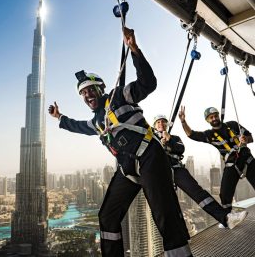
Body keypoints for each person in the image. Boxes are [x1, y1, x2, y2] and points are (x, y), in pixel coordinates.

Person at [48, 27, 192, 257]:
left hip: (149, 157)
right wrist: (60, 118)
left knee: (164, 213)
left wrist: (134, 50)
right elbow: (77, 126)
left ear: (100, 88)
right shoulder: (96, 122)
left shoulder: (119, 96)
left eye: (89, 90)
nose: (86, 96)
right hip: (127, 169)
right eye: (82, 94)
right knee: (107, 216)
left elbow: (147, 84)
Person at [153, 114, 247, 229]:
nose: (161, 124)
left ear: (167, 124)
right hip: (160, 172)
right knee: (167, 204)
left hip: (177, 169)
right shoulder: (152, 139)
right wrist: (160, 142)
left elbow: (180, 149)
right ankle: (181, 236)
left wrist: (169, 140)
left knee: (198, 193)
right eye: (158, 122)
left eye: (163, 122)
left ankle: (226, 218)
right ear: (154, 126)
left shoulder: (175, 138)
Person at [179, 106, 255, 215]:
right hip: (232, 164)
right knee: (224, 194)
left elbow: (250, 137)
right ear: (207, 120)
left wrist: (246, 139)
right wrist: (183, 122)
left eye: (215, 116)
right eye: (211, 117)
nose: (214, 118)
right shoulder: (209, 135)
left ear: (219, 116)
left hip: (247, 159)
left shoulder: (232, 125)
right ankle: (229, 217)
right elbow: (191, 134)